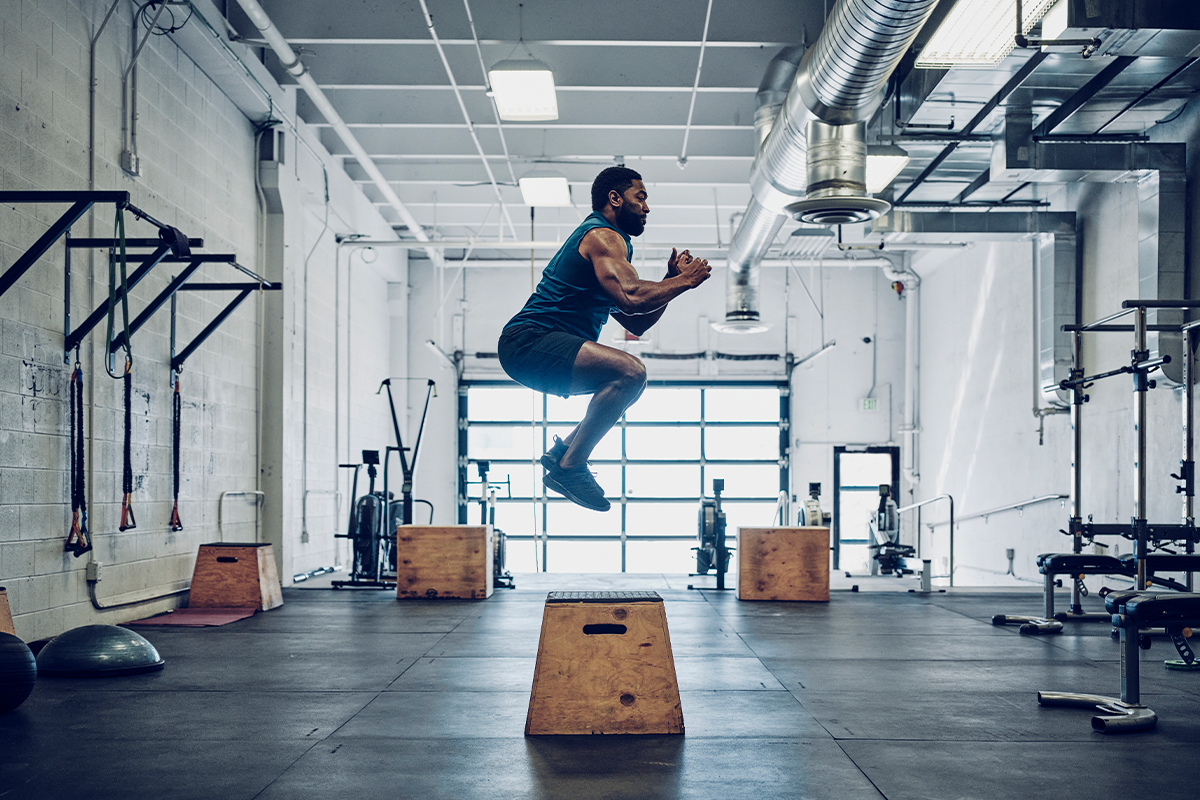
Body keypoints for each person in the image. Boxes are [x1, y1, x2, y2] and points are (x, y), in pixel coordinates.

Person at [497, 166, 712, 511]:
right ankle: (570, 466)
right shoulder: (603, 236)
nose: (646, 207)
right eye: (640, 197)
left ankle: (563, 454)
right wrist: (684, 280)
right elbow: (632, 295)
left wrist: (671, 281)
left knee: (628, 384)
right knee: (631, 372)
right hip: (529, 341)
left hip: (536, 350)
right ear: (615, 198)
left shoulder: (613, 246)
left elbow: (635, 320)